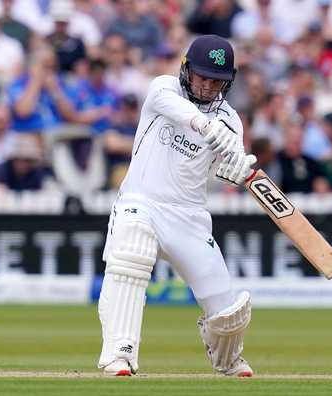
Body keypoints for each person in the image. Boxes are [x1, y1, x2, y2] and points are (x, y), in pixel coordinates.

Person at [98, 35, 256, 378]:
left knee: (229, 312)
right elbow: (180, 111)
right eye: (202, 76)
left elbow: (223, 169)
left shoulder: (231, 120)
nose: (208, 86)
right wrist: (203, 124)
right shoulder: (163, 89)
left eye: (217, 81)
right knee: (131, 256)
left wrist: (236, 167)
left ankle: (228, 359)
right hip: (142, 201)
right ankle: (119, 355)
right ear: (186, 70)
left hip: (190, 217)